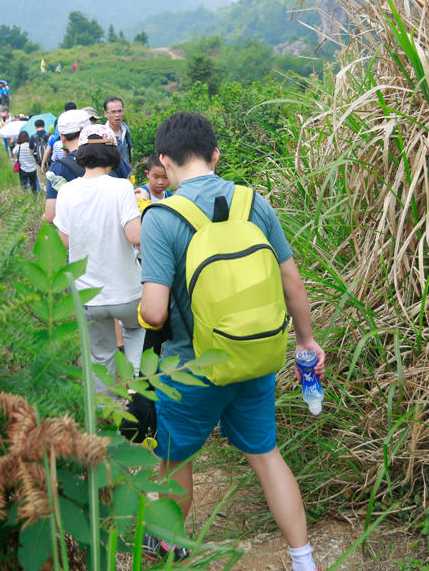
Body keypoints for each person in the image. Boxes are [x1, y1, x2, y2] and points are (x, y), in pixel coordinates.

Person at [137, 112, 325, 570]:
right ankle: (303, 560)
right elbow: (291, 280)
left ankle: (171, 548)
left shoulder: (161, 217)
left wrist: (135, 313)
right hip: (254, 356)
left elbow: (155, 312)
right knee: (266, 456)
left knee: (175, 461)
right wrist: (306, 341)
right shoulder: (252, 202)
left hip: (191, 368)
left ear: (165, 160)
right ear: (216, 155)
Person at [52, 122, 145, 396]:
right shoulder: (121, 187)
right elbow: (135, 236)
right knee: (136, 332)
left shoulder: (67, 191)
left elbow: (65, 241)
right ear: (113, 154)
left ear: (81, 154)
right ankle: (136, 397)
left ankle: (106, 408)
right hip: (125, 292)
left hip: (87, 294)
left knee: (99, 354)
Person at [43, 108, 90, 223]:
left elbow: (51, 216)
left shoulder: (59, 167)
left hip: (78, 230)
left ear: (62, 137)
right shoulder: (110, 157)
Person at [103, 97, 134, 171]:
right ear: (105, 114)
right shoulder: (103, 134)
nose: (117, 115)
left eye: (120, 111)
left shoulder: (126, 129)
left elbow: (129, 150)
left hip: (125, 173)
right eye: (113, 112)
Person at [45, 102, 78, 169]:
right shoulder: (80, 119)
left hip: (64, 146)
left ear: (65, 110)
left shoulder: (61, 120)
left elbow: (58, 136)